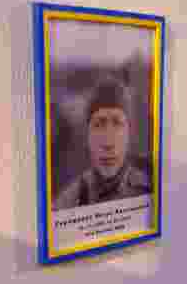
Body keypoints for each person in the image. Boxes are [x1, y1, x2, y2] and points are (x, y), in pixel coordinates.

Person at [54, 81, 152, 211]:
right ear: (87, 135)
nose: (108, 143)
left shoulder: (155, 183)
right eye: (99, 124)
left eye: (117, 123)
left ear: (130, 134)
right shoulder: (66, 204)